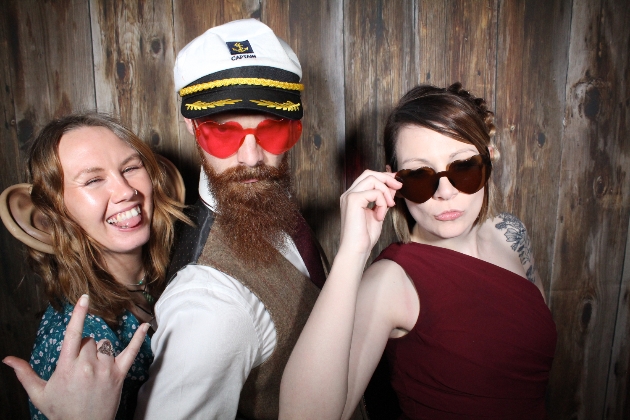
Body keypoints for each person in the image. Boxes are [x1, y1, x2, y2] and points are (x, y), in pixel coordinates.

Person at [280, 83, 557, 419]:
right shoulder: (390, 281)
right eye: (419, 175)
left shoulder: (511, 233)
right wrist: (353, 251)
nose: (444, 192)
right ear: (392, 181)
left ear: (487, 160)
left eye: (463, 166)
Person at [133, 18, 341, 420]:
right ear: (192, 127)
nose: (251, 158)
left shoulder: (268, 200)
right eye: (224, 133)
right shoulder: (207, 307)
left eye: (273, 130)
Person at [2, 113, 188, 420]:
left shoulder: (181, 270)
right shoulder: (76, 342)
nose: (127, 191)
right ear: (57, 211)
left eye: (130, 167)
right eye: (93, 180)